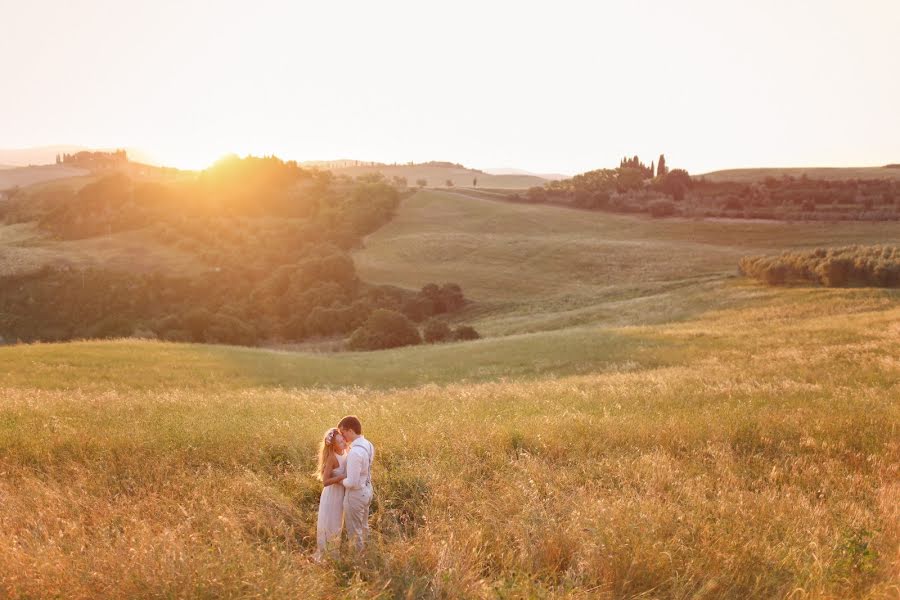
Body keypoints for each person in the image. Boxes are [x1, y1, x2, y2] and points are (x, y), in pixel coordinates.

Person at [337, 415, 375, 552]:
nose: (342, 436)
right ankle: (368, 553)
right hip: (368, 490)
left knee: (354, 532)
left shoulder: (355, 452)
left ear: (351, 431)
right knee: (364, 526)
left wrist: (339, 480)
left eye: (343, 432)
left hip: (356, 495)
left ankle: (358, 560)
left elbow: (352, 482)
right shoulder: (368, 445)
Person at [313, 427, 347, 561]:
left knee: (338, 522)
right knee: (330, 522)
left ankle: (334, 550)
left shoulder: (346, 451)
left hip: (341, 494)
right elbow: (325, 481)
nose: (344, 442)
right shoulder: (332, 458)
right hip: (332, 494)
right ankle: (327, 553)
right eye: (340, 442)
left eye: (343, 439)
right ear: (333, 446)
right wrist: (342, 477)